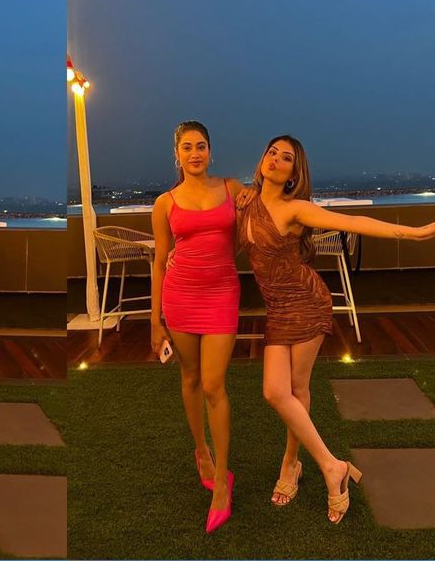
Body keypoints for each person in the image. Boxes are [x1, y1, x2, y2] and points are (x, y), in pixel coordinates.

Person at [237, 136, 435, 522]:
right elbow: (214, 219)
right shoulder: (244, 200)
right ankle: (329, 465)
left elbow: (351, 222)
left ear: (295, 173)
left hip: (307, 302)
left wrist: (416, 233)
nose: (275, 160)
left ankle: (294, 465)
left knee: (293, 390)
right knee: (277, 392)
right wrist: (181, 251)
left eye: (286, 158)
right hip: (277, 307)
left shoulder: (296, 209)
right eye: (271, 152)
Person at [151, 122, 248, 533]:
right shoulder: (165, 202)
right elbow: (160, 259)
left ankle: (222, 483)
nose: (195, 153)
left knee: (213, 384)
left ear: (211, 150)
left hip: (223, 292)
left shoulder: (232, 188)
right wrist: (155, 320)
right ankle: (201, 451)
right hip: (180, 297)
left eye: (201, 146)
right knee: (190, 377)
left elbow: (253, 227)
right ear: (177, 154)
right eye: (187, 147)